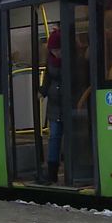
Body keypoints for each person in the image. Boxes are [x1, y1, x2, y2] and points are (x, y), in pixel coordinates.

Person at [39, 25, 63, 184]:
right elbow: (47, 78)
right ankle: (52, 172)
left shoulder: (72, 58)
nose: (55, 52)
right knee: (54, 137)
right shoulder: (50, 61)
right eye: (53, 50)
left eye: (57, 49)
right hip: (54, 104)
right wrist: (42, 91)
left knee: (69, 137)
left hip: (69, 103)